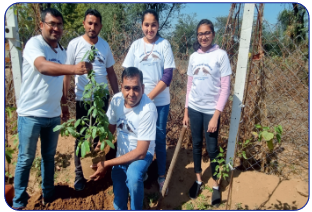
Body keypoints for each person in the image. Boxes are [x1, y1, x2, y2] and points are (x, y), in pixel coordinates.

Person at [13, 8, 92, 209]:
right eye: (52, 24)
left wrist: (63, 103)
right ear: (42, 25)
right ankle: (19, 202)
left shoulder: (62, 51)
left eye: (59, 25)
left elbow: (59, 82)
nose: (56, 28)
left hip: (53, 115)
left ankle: (48, 195)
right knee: (25, 159)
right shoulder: (35, 45)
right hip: (31, 114)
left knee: (48, 158)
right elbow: (43, 67)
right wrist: (74, 68)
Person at [63, 8, 119, 191]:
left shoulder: (104, 46)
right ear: (84, 24)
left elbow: (110, 72)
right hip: (83, 100)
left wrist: (117, 96)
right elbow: (67, 74)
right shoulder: (74, 44)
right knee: (81, 138)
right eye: (89, 23)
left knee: (101, 136)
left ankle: (97, 171)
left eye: (96, 24)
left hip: (102, 100)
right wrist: (64, 98)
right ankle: (80, 176)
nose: (92, 27)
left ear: (100, 26)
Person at [122, 9, 175, 194]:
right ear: (141, 26)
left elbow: (168, 76)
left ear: (158, 25)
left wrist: (149, 97)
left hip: (159, 101)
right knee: (137, 136)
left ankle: (161, 176)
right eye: (146, 25)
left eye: (153, 25)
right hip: (138, 102)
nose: (150, 28)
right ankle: (140, 172)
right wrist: (134, 98)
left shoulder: (164, 45)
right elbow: (128, 73)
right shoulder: (136, 46)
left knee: (159, 138)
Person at [90, 67, 157, 210]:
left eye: (136, 88)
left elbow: (140, 152)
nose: (131, 93)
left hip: (142, 154)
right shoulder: (116, 100)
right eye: (127, 88)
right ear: (121, 87)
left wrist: (107, 163)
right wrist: (100, 146)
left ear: (143, 88)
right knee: (119, 190)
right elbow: (110, 128)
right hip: (122, 153)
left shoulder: (148, 109)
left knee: (133, 176)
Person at [182, 19, 232, 205]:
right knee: (196, 145)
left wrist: (216, 115)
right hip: (194, 108)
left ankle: (216, 186)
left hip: (211, 111)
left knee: (212, 149)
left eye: (207, 33)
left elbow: (225, 88)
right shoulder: (194, 57)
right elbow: (189, 86)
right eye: (200, 34)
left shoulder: (221, 56)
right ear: (198, 36)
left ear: (213, 34)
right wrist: (186, 112)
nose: (203, 37)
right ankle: (198, 180)